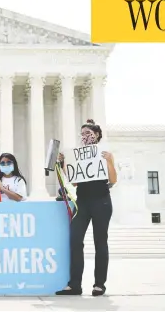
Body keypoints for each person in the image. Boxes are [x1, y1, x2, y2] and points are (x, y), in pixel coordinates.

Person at [56, 119, 117, 297]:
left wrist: (109, 161)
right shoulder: (77, 155)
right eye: (82, 134)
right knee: (75, 241)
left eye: (88, 133)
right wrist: (63, 163)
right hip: (82, 201)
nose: (85, 136)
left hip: (102, 201)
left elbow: (113, 180)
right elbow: (74, 181)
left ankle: (99, 284)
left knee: (100, 242)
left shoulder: (105, 154)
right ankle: (75, 284)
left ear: (97, 135)